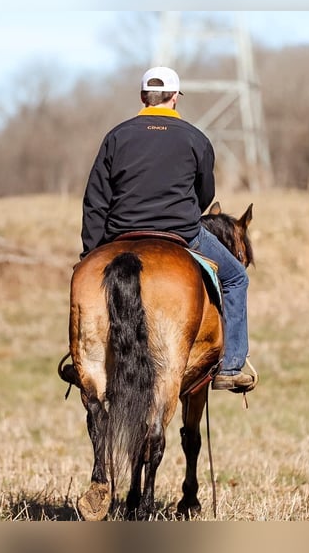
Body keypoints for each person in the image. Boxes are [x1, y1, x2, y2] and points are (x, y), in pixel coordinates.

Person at [80, 66, 254, 392]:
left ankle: (81, 360)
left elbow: (95, 200)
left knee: (86, 280)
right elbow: (206, 195)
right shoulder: (195, 139)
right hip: (183, 233)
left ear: (143, 97)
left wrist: (91, 253)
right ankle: (230, 366)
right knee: (235, 278)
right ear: (175, 98)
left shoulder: (116, 136)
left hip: (120, 233)